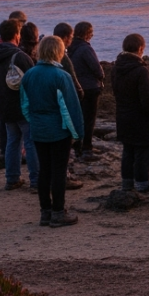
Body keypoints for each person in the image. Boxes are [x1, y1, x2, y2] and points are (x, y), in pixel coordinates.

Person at [21, 35, 84, 228]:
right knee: (58, 171)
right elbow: (71, 108)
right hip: (58, 131)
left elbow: (24, 106)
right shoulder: (61, 76)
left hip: (38, 130)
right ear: (58, 51)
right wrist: (78, 134)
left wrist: (35, 122)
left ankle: (45, 212)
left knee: (44, 171)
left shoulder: (29, 75)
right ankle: (58, 212)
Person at [0, 19, 38, 192]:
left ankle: (12, 178)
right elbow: (33, 80)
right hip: (23, 105)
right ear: (17, 35)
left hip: (4, 105)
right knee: (31, 142)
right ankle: (36, 179)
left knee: (12, 142)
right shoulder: (20, 56)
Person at [113, 33, 149, 192]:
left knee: (128, 150)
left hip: (123, 115)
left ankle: (127, 182)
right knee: (143, 150)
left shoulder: (116, 67)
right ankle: (142, 183)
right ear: (140, 48)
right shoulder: (141, 70)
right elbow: (146, 98)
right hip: (140, 117)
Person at [51, 22, 85, 190]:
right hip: (62, 110)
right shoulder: (63, 59)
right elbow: (72, 81)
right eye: (71, 37)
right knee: (65, 145)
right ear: (65, 38)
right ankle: (65, 176)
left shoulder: (37, 68)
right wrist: (80, 93)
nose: (72, 40)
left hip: (45, 115)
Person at [70, 21, 104, 160]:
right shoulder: (85, 49)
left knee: (78, 118)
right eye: (91, 32)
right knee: (89, 119)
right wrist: (101, 77)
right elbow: (96, 68)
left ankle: (77, 146)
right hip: (90, 87)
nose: (92, 35)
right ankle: (87, 148)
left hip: (75, 87)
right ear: (86, 34)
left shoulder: (69, 47)